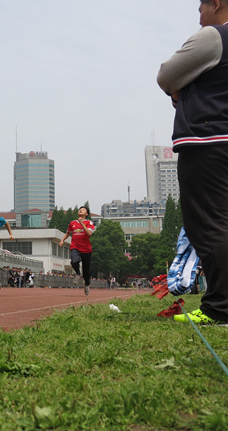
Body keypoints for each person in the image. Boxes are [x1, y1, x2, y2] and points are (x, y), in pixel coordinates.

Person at [157, 0, 228, 324]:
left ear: (215, 4)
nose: (199, 15)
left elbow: (167, 75)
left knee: (209, 224)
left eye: (200, 6)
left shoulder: (213, 36)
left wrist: (180, 90)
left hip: (208, 142)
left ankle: (220, 308)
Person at [59, 206, 95, 295]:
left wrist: (82, 223)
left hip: (86, 249)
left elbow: (89, 233)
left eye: (83, 210)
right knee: (74, 261)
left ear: (86, 214)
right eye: (80, 209)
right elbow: (68, 232)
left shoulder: (89, 222)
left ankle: (87, 284)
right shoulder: (72, 223)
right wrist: (62, 240)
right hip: (75, 247)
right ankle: (78, 274)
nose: (80, 210)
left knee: (86, 270)